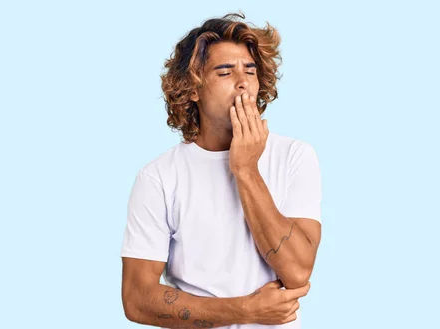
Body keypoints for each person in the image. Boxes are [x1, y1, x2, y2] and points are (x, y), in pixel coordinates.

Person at [120, 12, 322, 329]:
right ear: (193, 89)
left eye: (250, 71)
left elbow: (297, 271)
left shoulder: (295, 156)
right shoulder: (158, 177)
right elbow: (136, 299)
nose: (243, 82)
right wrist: (245, 311)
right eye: (225, 72)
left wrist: (246, 169)